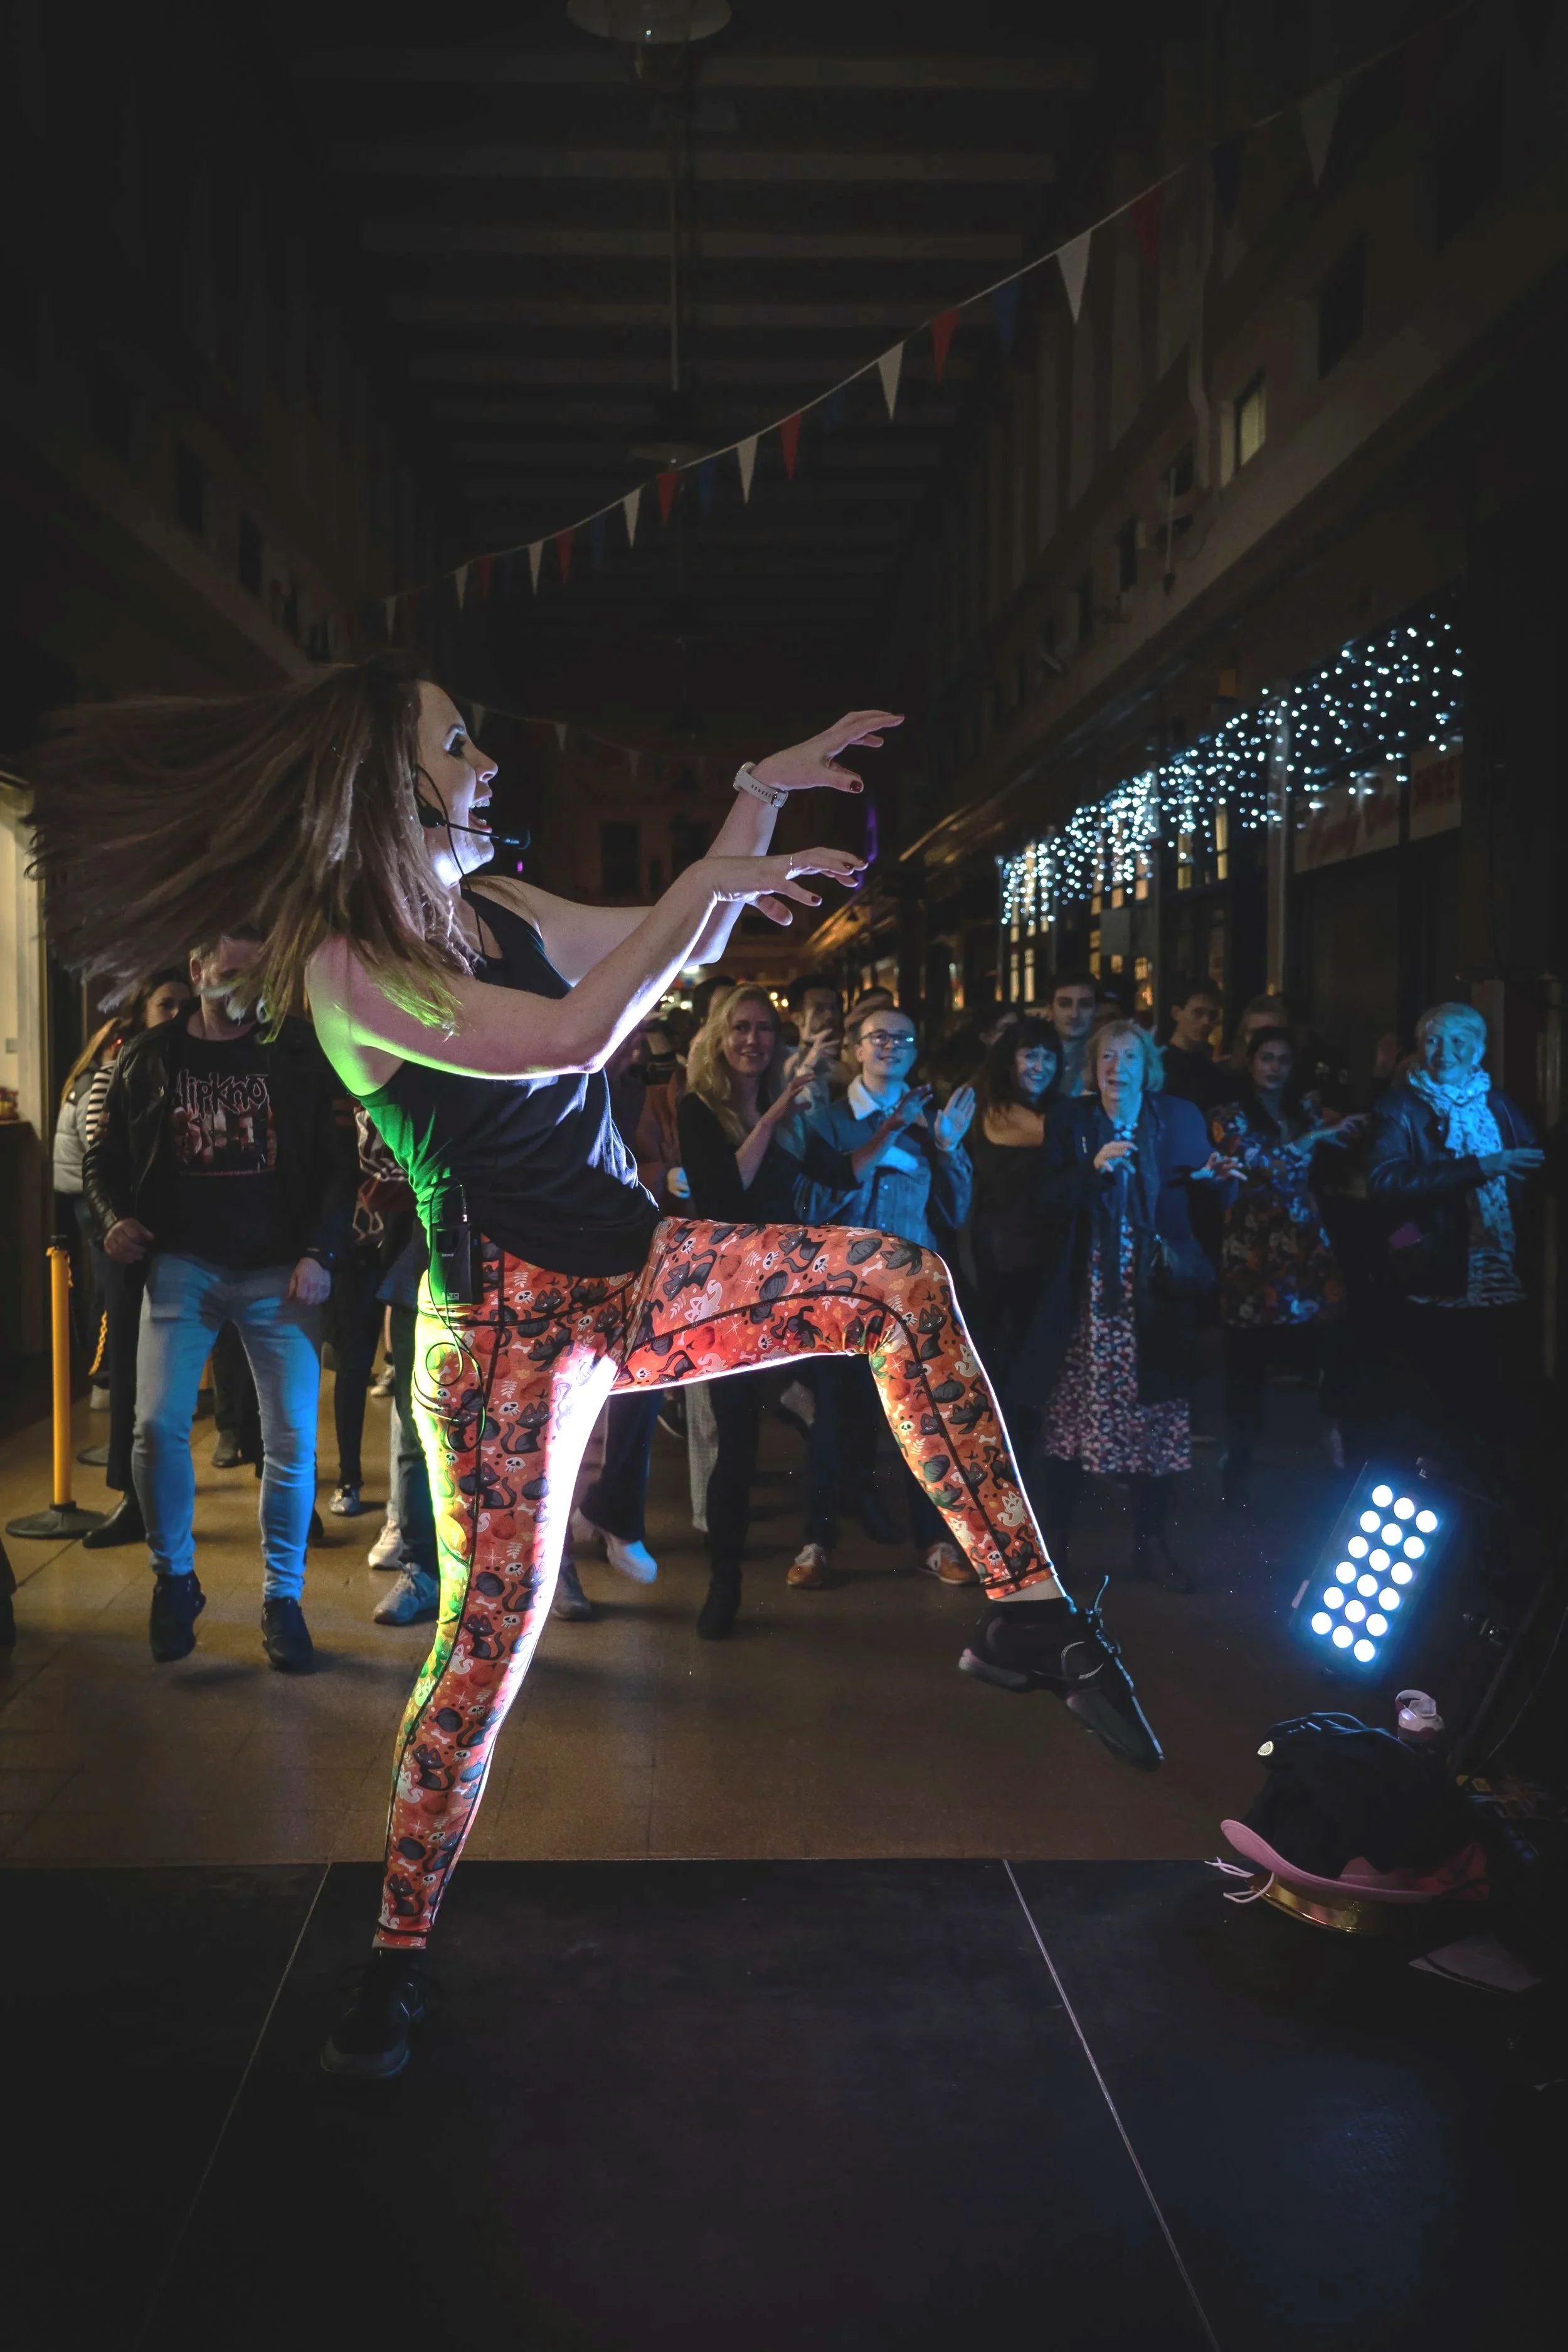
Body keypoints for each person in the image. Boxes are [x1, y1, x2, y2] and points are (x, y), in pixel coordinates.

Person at [31, 660, 1162, 2084]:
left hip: (640, 1273)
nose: (485, 757)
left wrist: (757, 784)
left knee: (895, 1283)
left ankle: (1028, 1612)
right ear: (392, 781)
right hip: (501, 1340)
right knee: (483, 1654)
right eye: (457, 740)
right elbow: (574, 1032)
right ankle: (394, 1949)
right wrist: (716, 865)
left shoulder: (500, 905)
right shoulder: (342, 964)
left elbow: (665, 942)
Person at [81, 926, 356, 1666]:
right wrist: (115, 1220)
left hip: (279, 1269)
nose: (243, 987)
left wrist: (318, 1251)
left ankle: (282, 1599)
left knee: (292, 1441)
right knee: (154, 1428)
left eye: (256, 974)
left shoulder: (297, 1051)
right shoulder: (151, 1056)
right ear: (199, 971)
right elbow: (102, 1157)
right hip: (185, 1264)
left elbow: (339, 1161)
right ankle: (174, 1580)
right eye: (231, 971)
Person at [674, 984, 854, 1633]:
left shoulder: (796, 1112)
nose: (752, 1040)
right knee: (738, 1445)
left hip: (790, 1293)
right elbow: (724, 1192)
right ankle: (724, 1584)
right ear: (720, 1039)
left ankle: (834, 1516)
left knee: (839, 1391)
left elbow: (841, 1174)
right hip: (729, 1297)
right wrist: (773, 1117)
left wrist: (895, 1130)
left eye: (763, 1030)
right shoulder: (697, 1109)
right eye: (740, 1029)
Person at [1029, 1019, 1229, 1590]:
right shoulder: (1072, 1119)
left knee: (1158, 1422)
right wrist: (1092, 1172)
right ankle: (1057, 1545)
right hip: (1087, 1292)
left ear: (1148, 1066)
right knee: (1068, 1421)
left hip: (1154, 1293)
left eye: (1129, 1058)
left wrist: (1221, 1179)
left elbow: (1208, 1190)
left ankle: (1151, 1543)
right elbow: (1047, 1199)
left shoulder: (1178, 1117)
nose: (1118, 1068)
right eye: (1107, 1058)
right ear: (1093, 1067)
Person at [797, 1005, 978, 1586]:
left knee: (920, 1421)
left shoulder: (931, 1121)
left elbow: (956, 1209)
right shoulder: (828, 1122)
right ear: (856, 1047)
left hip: (911, 1294)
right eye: (879, 1037)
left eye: (904, 1037)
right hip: (842, 1294)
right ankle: (815, 1543)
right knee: (834, 1421)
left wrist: (949, 1149)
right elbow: (812, 1207)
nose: (891, 1046)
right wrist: (880, 1146)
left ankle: (933, 1544)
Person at [1364, 1001, 1544, 1488]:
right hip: (1437, 1274)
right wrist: (1478, 1168)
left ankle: (1488, 1517)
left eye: (1458, 1041)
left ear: (1480, 1049)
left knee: (1495, 1406)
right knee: (1440, 1405)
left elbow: (1533, 1167)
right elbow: (1385, 1182)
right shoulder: (1400, 1107)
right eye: (1434, 1041)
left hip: (1501, 1278)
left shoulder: (1499, 1104)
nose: (1445, 1052)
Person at [1208, 1028, 1361, 1506]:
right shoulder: (1228, 1115)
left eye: (1283, 1059)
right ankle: (1238, 1462)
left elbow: (1347, 1142)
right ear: (1250, 1063)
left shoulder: (1305, 1111)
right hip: (1253, 1243)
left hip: (1302, 1240)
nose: (1274, 1067)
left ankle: (1337, 1446)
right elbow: (1262, 1167)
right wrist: (1313, 1138)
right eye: (1266, 1058)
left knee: (1332, 1340)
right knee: (1246, 1360)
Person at [73, 971, 195, 1547]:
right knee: (127, 1369)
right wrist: (111, 1219)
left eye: (181, 1005)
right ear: (143, 1012)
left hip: (198, 1242)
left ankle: (270, 1477)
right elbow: (101, 1155)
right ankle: (130, 1497)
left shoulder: (202, 1064)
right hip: (135, 1238)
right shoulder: (120, 1069)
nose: (174, 1014)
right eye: (163, 1005)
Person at [967, 1017, 1061, 1444]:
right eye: (1030, 1055)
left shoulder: (1057, 1111)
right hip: (1000, 1257)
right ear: (1010, 1060)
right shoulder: (992, 1109)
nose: (1040, 1065)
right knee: (1005, 1362)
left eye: (1048, 1056)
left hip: (1044, 1253)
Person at [1160, 976, 1228, 1112]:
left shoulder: (1208, 1066)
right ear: (1177, 1014)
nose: (1206, 1022)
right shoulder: (1159, 1065)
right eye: (1198, 1013)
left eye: (1213, 1015)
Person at [1044, 970, 1098, 1098]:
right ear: (1050, 1009)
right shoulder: (1032, 1055)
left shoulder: (1107, 1058)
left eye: (1085, 1005)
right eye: (1064, 1004)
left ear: (1097, 1010)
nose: (1074, 1014)